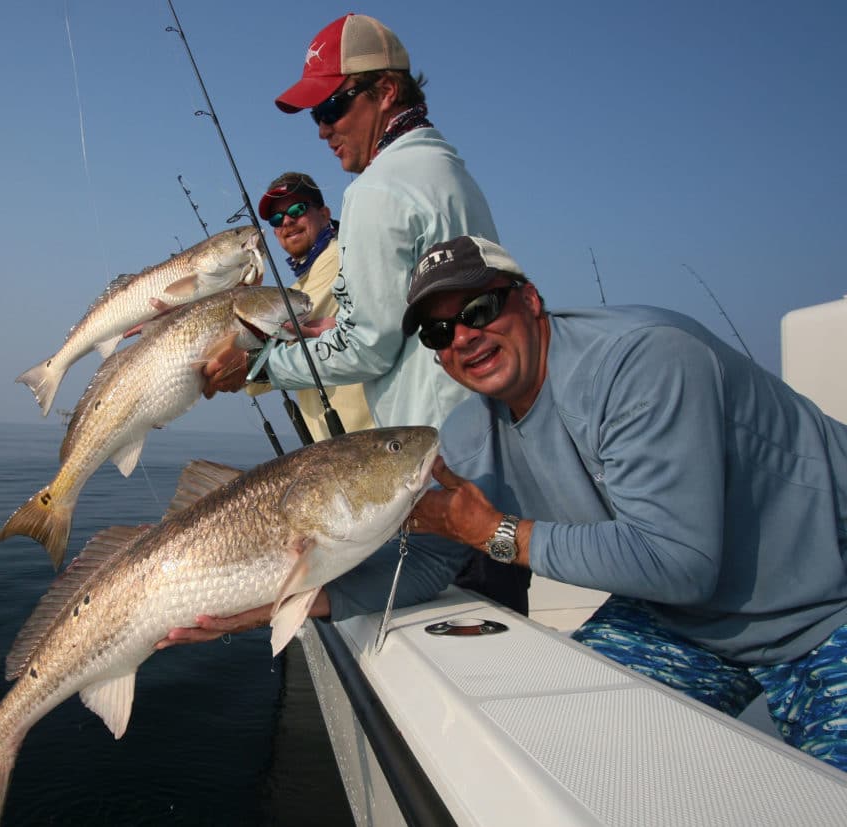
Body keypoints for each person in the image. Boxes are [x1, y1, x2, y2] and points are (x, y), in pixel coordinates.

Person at [402, 234, 847, 772]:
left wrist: (498, 533)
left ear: (532, 299)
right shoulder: (468, 435)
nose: (465, 337)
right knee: (548, 751)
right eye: (440, 331)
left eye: (481, 308)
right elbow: (429, 555)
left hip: (830, 606)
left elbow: (678, 561)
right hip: (686, 620)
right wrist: (309, 593)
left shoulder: (642, 360)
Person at [181, 12, 530, 635]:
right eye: (314, 114)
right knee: (500, 624)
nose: (322, 129)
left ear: (386, 92)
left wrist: (259, 365)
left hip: (436, 461)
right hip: (489, 450)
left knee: (450, 628)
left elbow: (365, 348)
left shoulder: (378, 191)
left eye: (334, 107)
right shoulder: (449, 169)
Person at [249, 171, 374, 439]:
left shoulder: (339, 256)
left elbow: (275, 332)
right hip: (337, 451)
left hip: (370, 440)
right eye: (276, 218)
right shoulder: (298, 288)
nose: (287, 221)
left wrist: (244, 307)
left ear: (325, 214)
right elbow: (253, 382)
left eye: (297, 209)